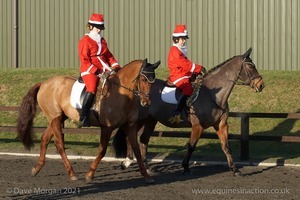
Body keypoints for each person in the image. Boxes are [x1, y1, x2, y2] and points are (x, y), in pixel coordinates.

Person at [77, 13, 121, 127]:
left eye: (100, 28)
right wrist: (95, 70)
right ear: (90, 27)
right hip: (89, 70)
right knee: (92, 88)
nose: (99, 31)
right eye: (97, 28)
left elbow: (108, 55)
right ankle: (84, 116)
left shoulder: (102, 41)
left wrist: (115, 65)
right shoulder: (84, 41)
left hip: (103, 68)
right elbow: (84, 60)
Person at [167, 24, 206, 118]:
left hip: (184, 74)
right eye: (182, 39)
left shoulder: (179, 50)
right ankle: (177, 112)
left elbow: (186, 65)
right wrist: (198, 68)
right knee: (188, 88)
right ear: (176, 39)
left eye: (185, 39)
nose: (184, 41)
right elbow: (185, 64)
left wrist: (196, 72)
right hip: (178, 76)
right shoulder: (175, 51)